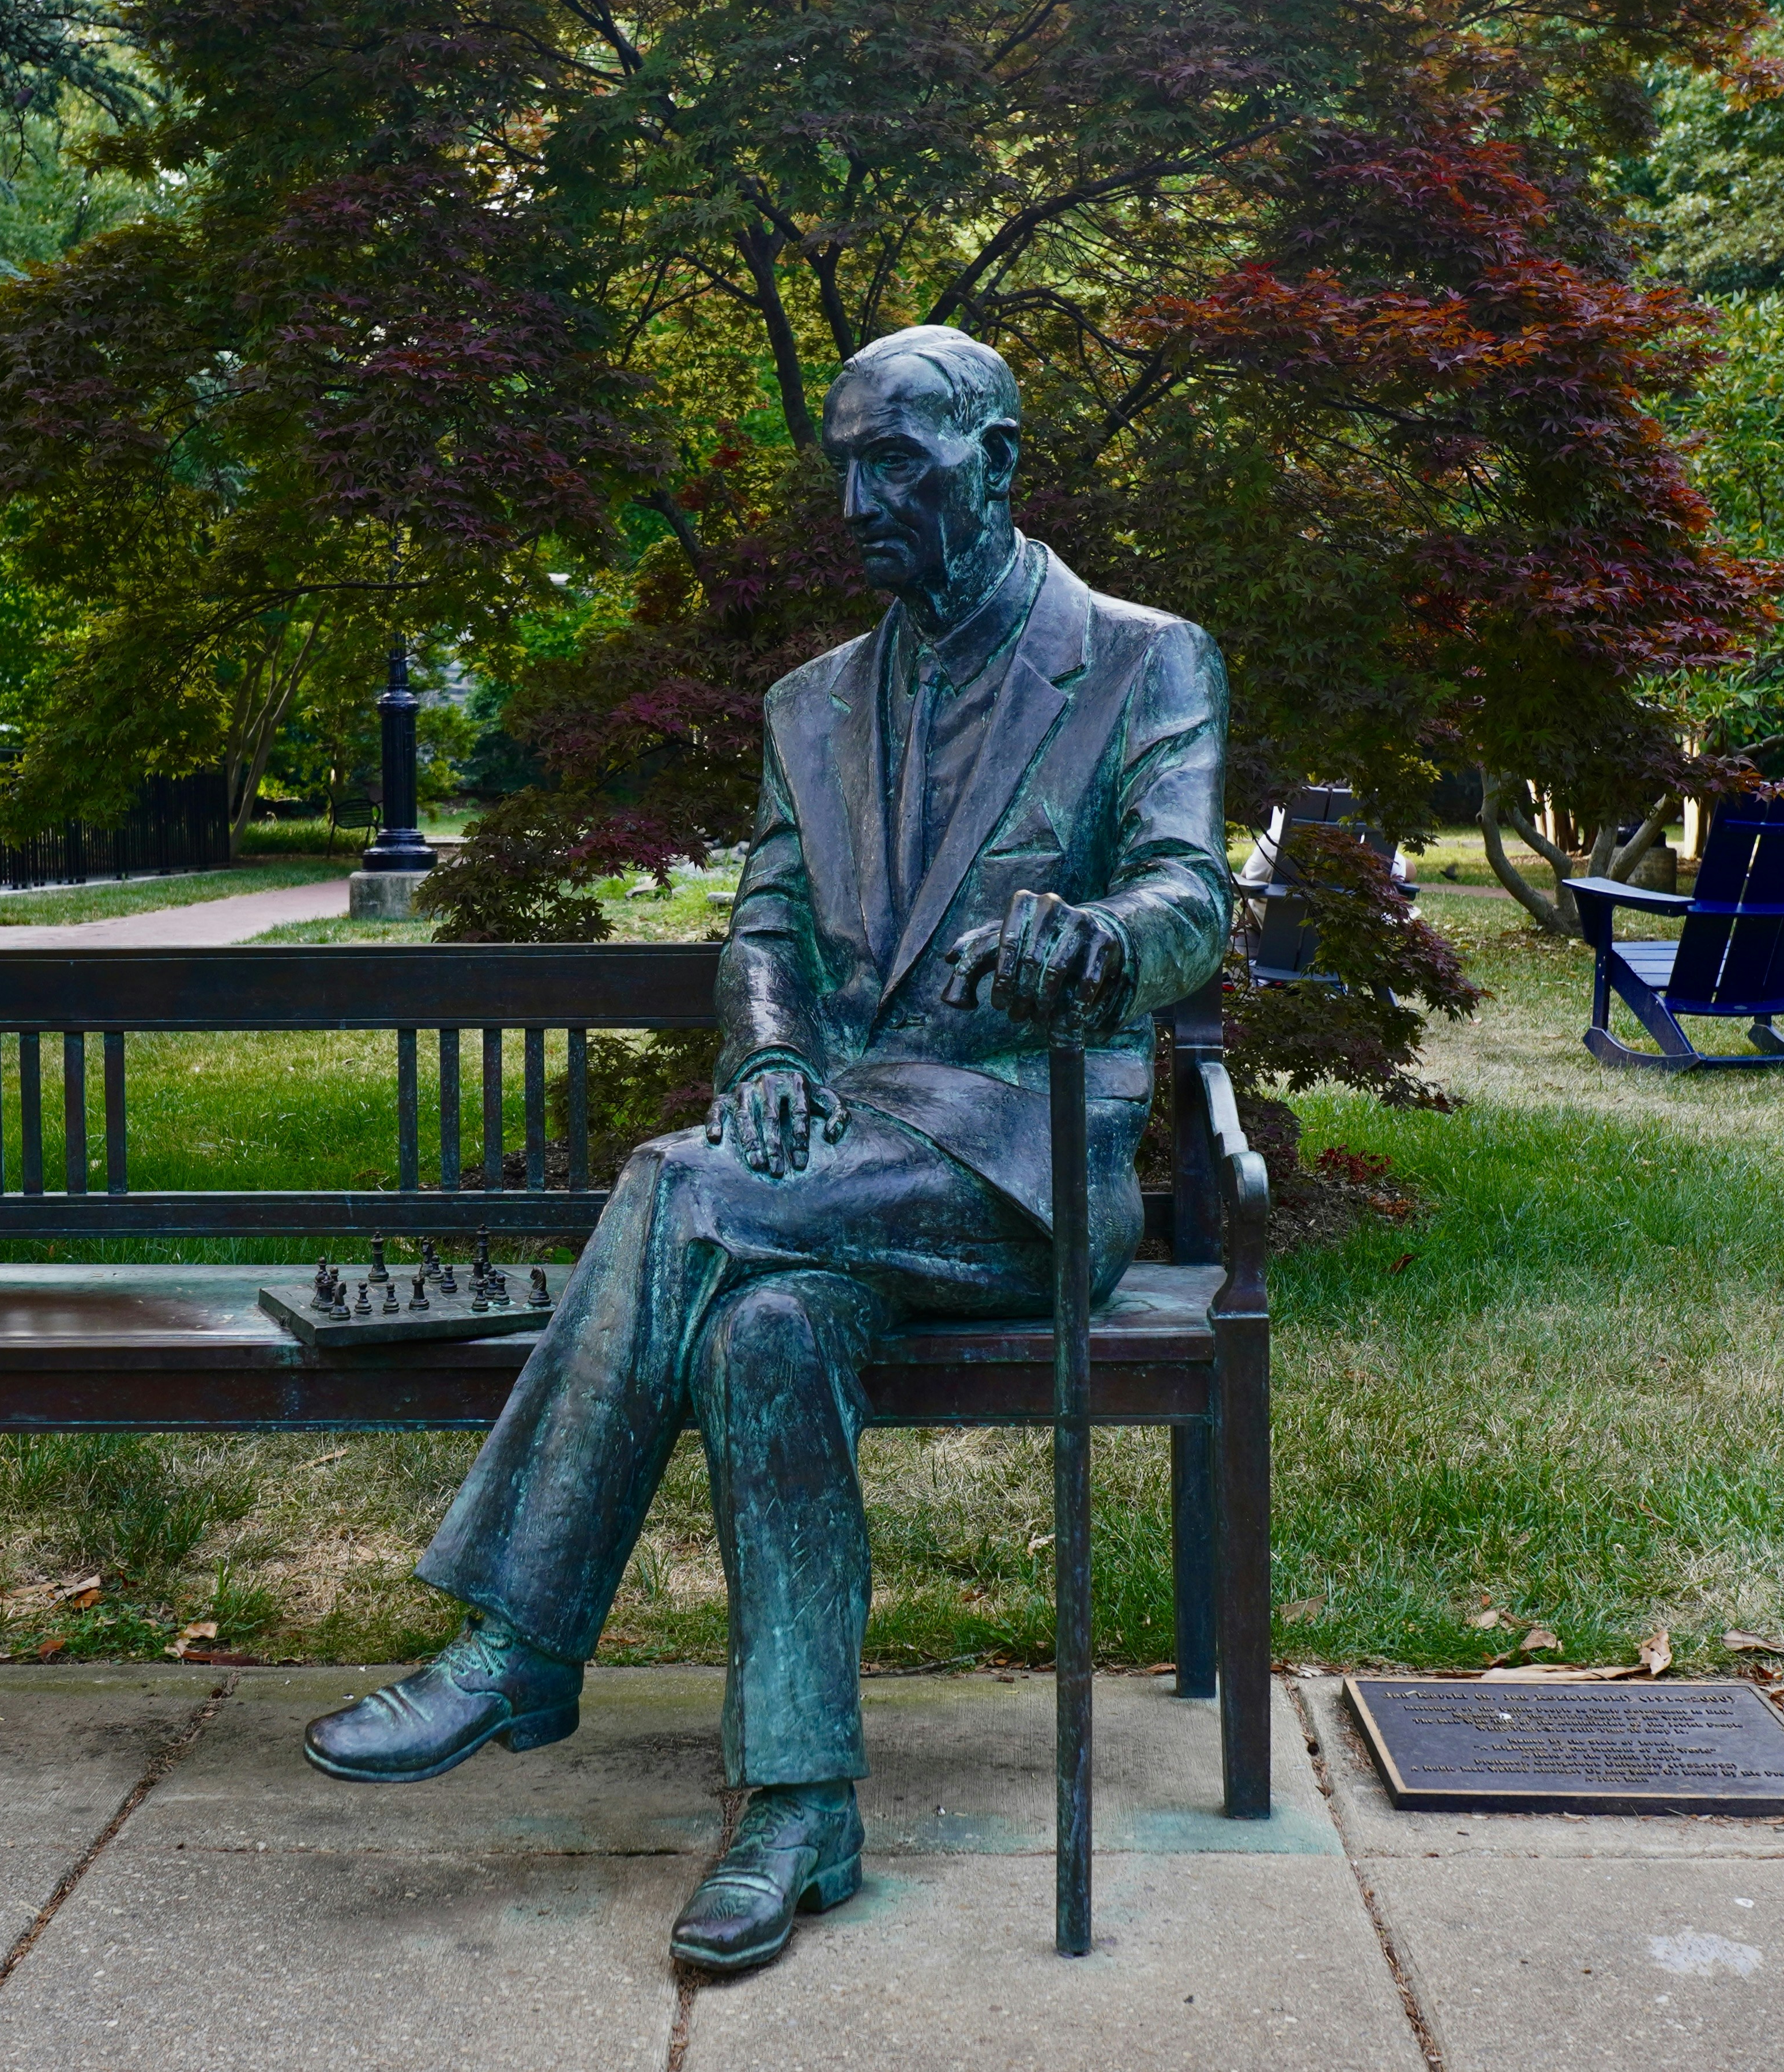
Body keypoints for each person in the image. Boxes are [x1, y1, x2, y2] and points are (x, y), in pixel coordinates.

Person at [303, 324, 1231, 1972]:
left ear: (999, 462)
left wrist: (1091, 941)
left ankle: (520, 1639)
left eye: (902, 460)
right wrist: (777, 1052)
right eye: (845, 464)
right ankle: (798, 1811)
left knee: (674, 1183)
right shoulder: (807, 702)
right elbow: (764, 927)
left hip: (1020, 1172)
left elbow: (1186, 899)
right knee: (757, 1337)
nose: (862, 496)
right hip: (829, 1178)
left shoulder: (1139, 657)